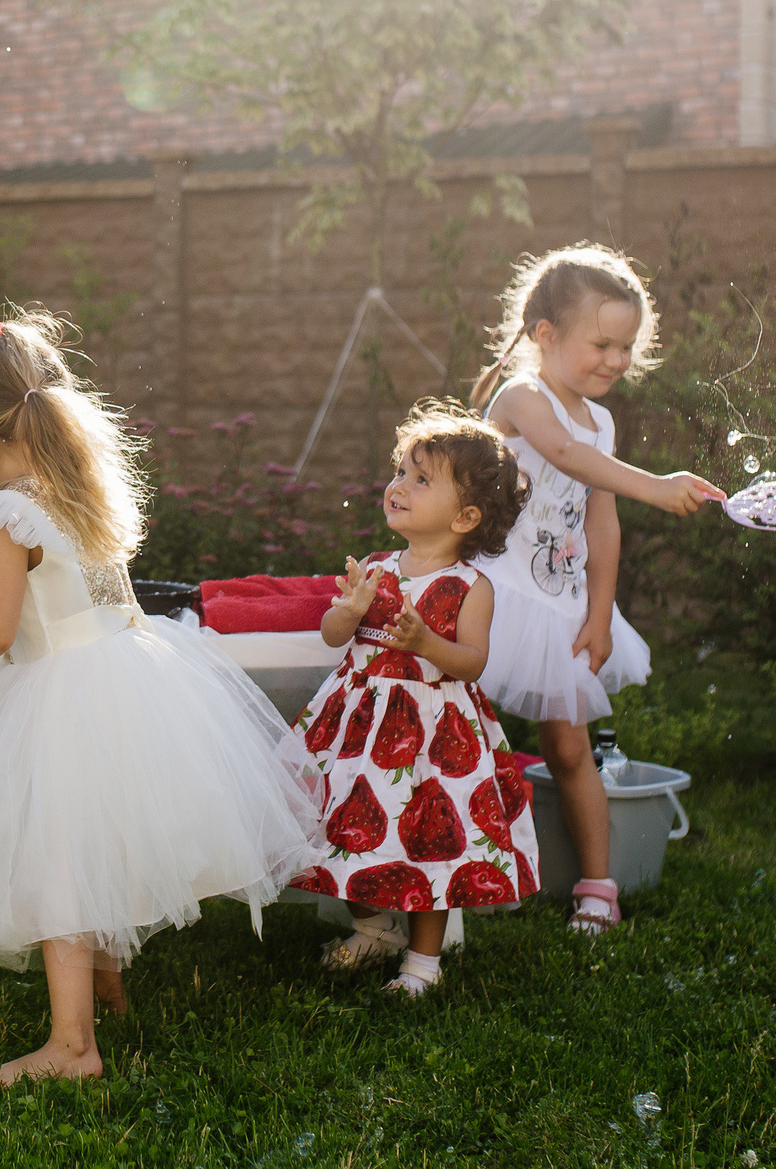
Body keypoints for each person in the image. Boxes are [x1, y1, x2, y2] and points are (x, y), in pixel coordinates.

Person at [0, 312, 323, 1084]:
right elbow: (117, 601)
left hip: (59, 693)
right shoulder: (77, 487)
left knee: (58, 858)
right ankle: (105, 975)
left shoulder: (8, 513)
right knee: (101, 833)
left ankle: (72, 1045)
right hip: (129, 672)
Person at [466, 244, 722, 934]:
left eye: (626, 347)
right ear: (547, 335)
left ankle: (597, 887)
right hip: (490, 598)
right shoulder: (521, 398)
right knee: (461, 732)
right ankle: (464, 870)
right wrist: (658, 485)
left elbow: (601, 523)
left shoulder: (602, 420)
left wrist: (599, 614)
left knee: (570, 748)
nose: (616, 360)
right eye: (602, 342)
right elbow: (566, 457)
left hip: (555, 608)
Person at [287, 402, 537, 998]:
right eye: (401, 472)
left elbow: (472, 660)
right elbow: (333, 636)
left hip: (434, 738)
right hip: (356, 727)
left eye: (421, 480)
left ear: (466, 516)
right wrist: (346, 612)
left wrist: (426, 641)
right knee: (341, 826)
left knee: (431, 842)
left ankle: (424, 962)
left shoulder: (469, 587)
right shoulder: (377, 567)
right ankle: (373, 928)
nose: (399, 485)